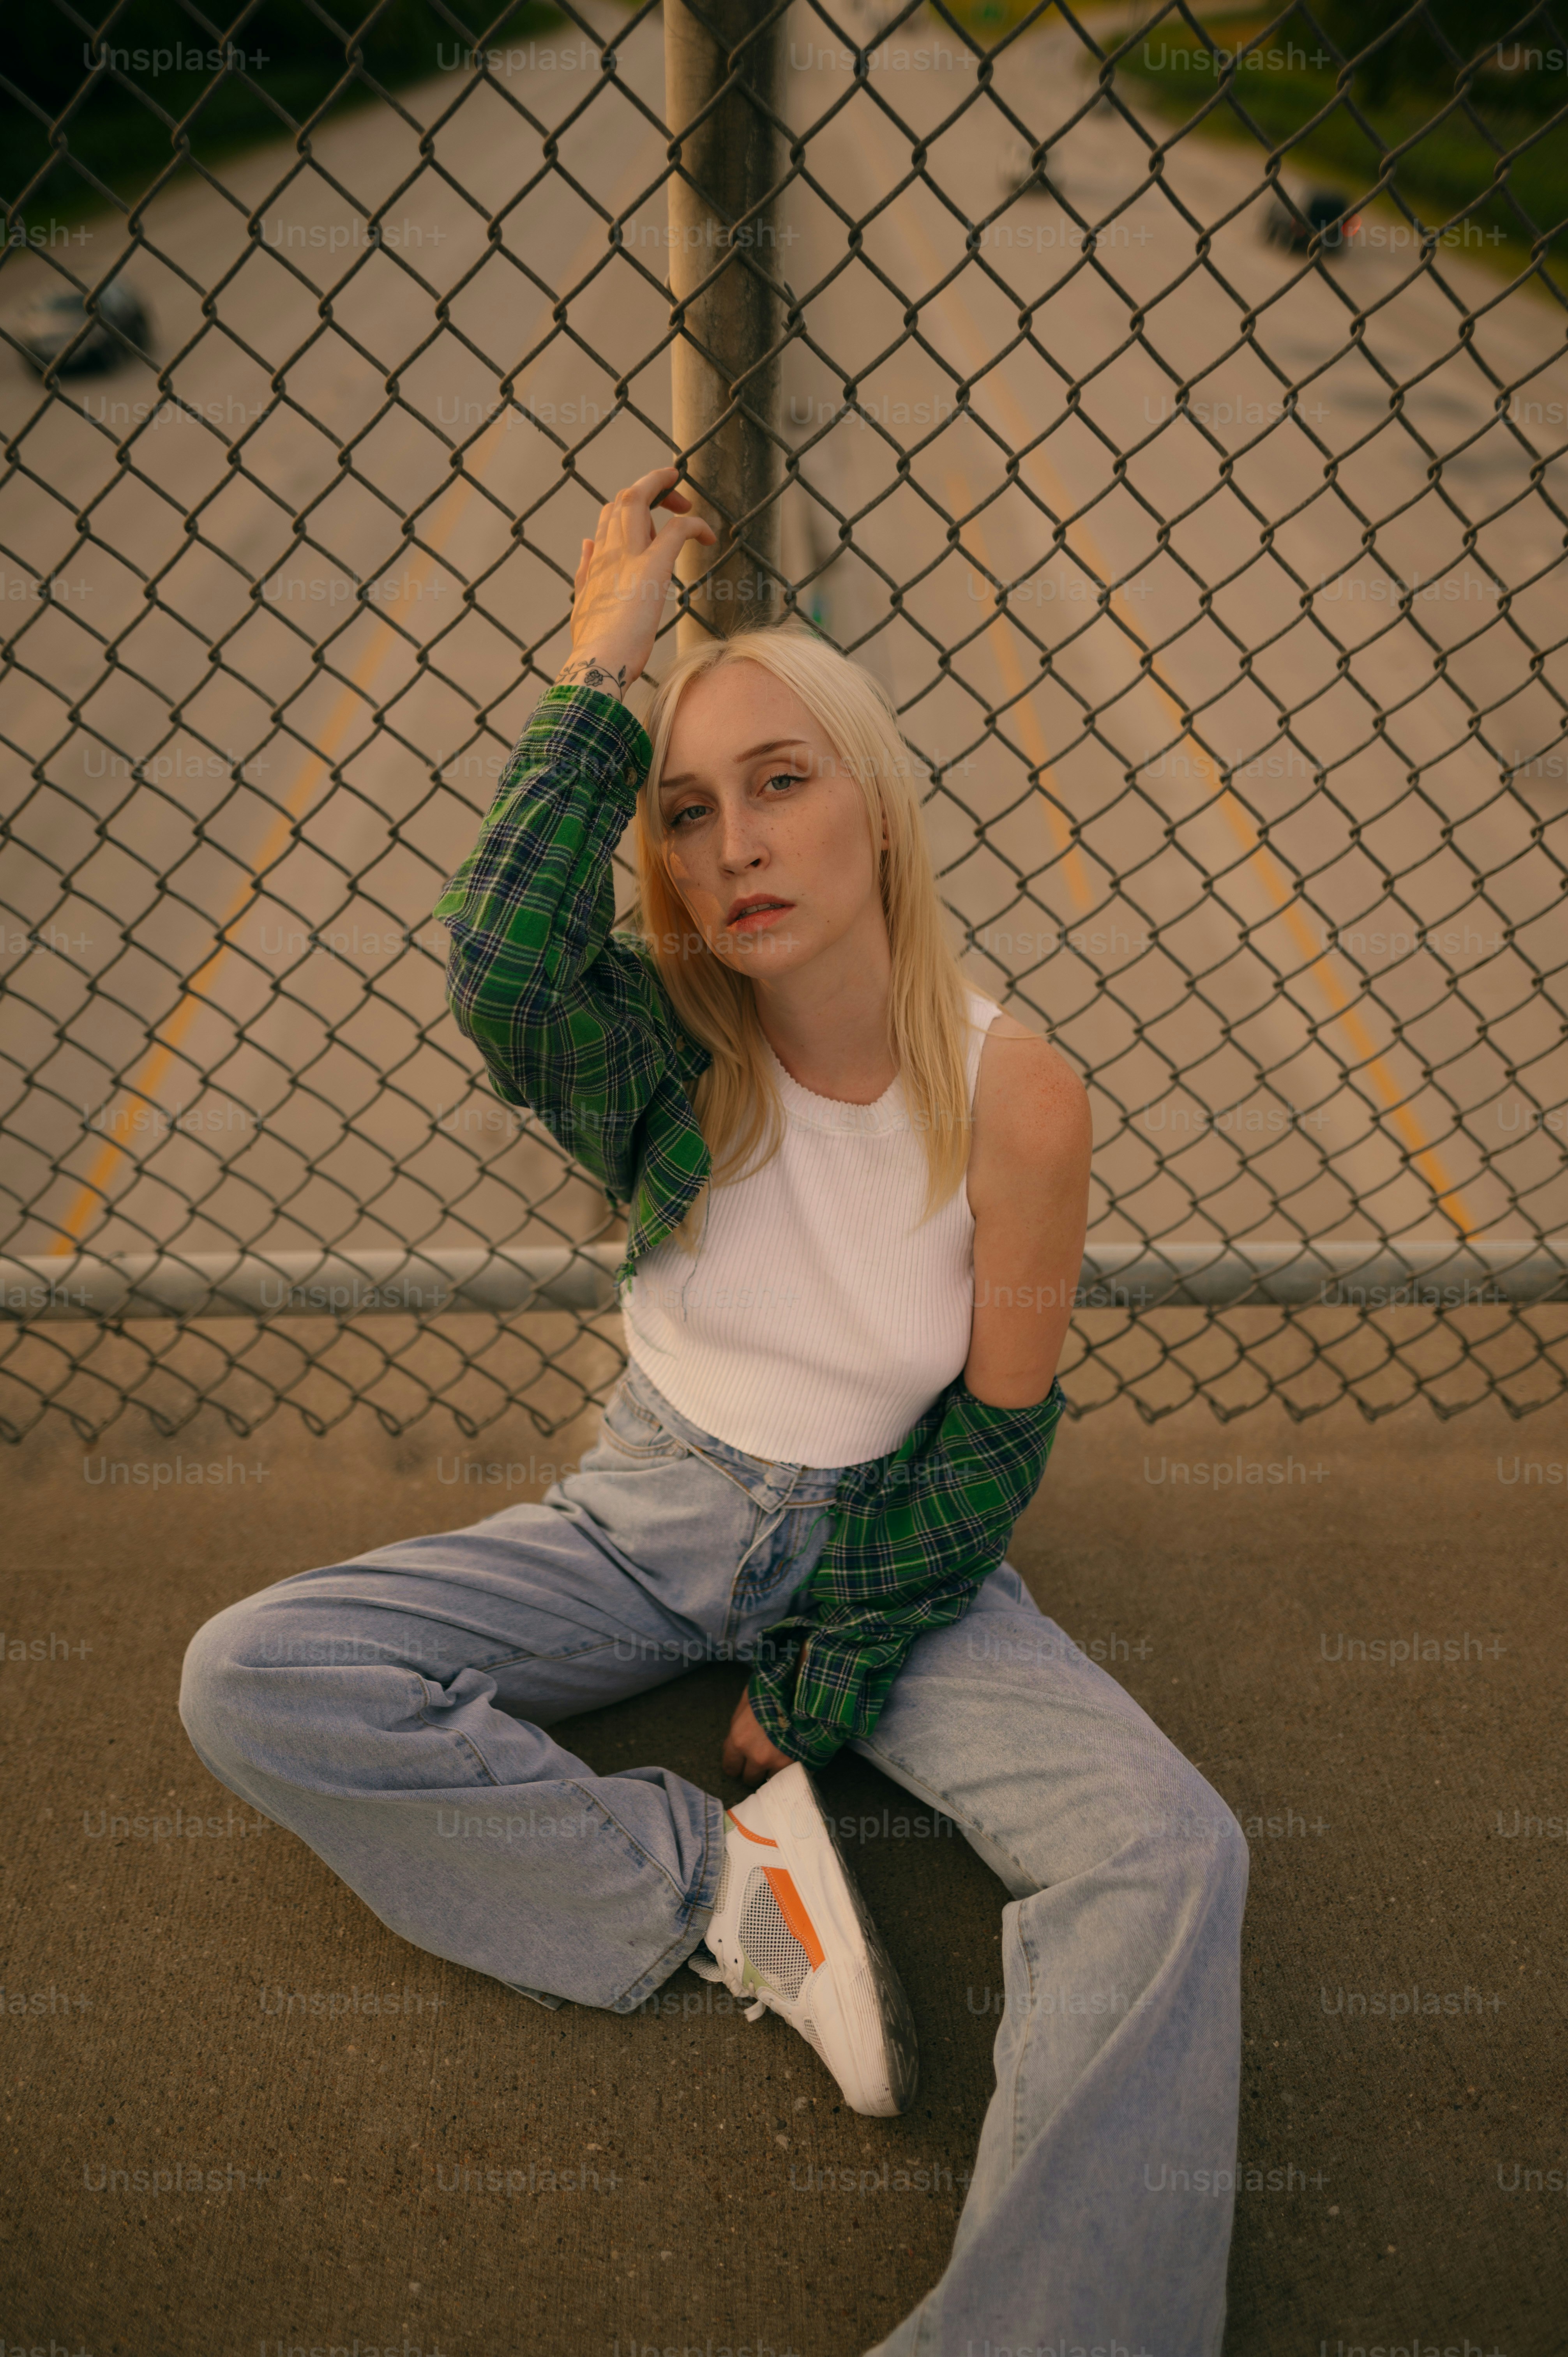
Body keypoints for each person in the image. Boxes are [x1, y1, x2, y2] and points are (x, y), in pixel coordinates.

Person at [179, 468, 1247, 2356]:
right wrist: (607, 651)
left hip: (893, 1543)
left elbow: (991, 1436)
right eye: (684, 812)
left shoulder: (1018, 1097)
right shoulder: (665, 1039)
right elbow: (502, 957)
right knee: (256, 1674)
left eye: (780, 782)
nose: (735, 842)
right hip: (645, 1517)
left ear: (875, 812)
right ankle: (717, 1895)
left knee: (1170, 1851)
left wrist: (827, 1676)